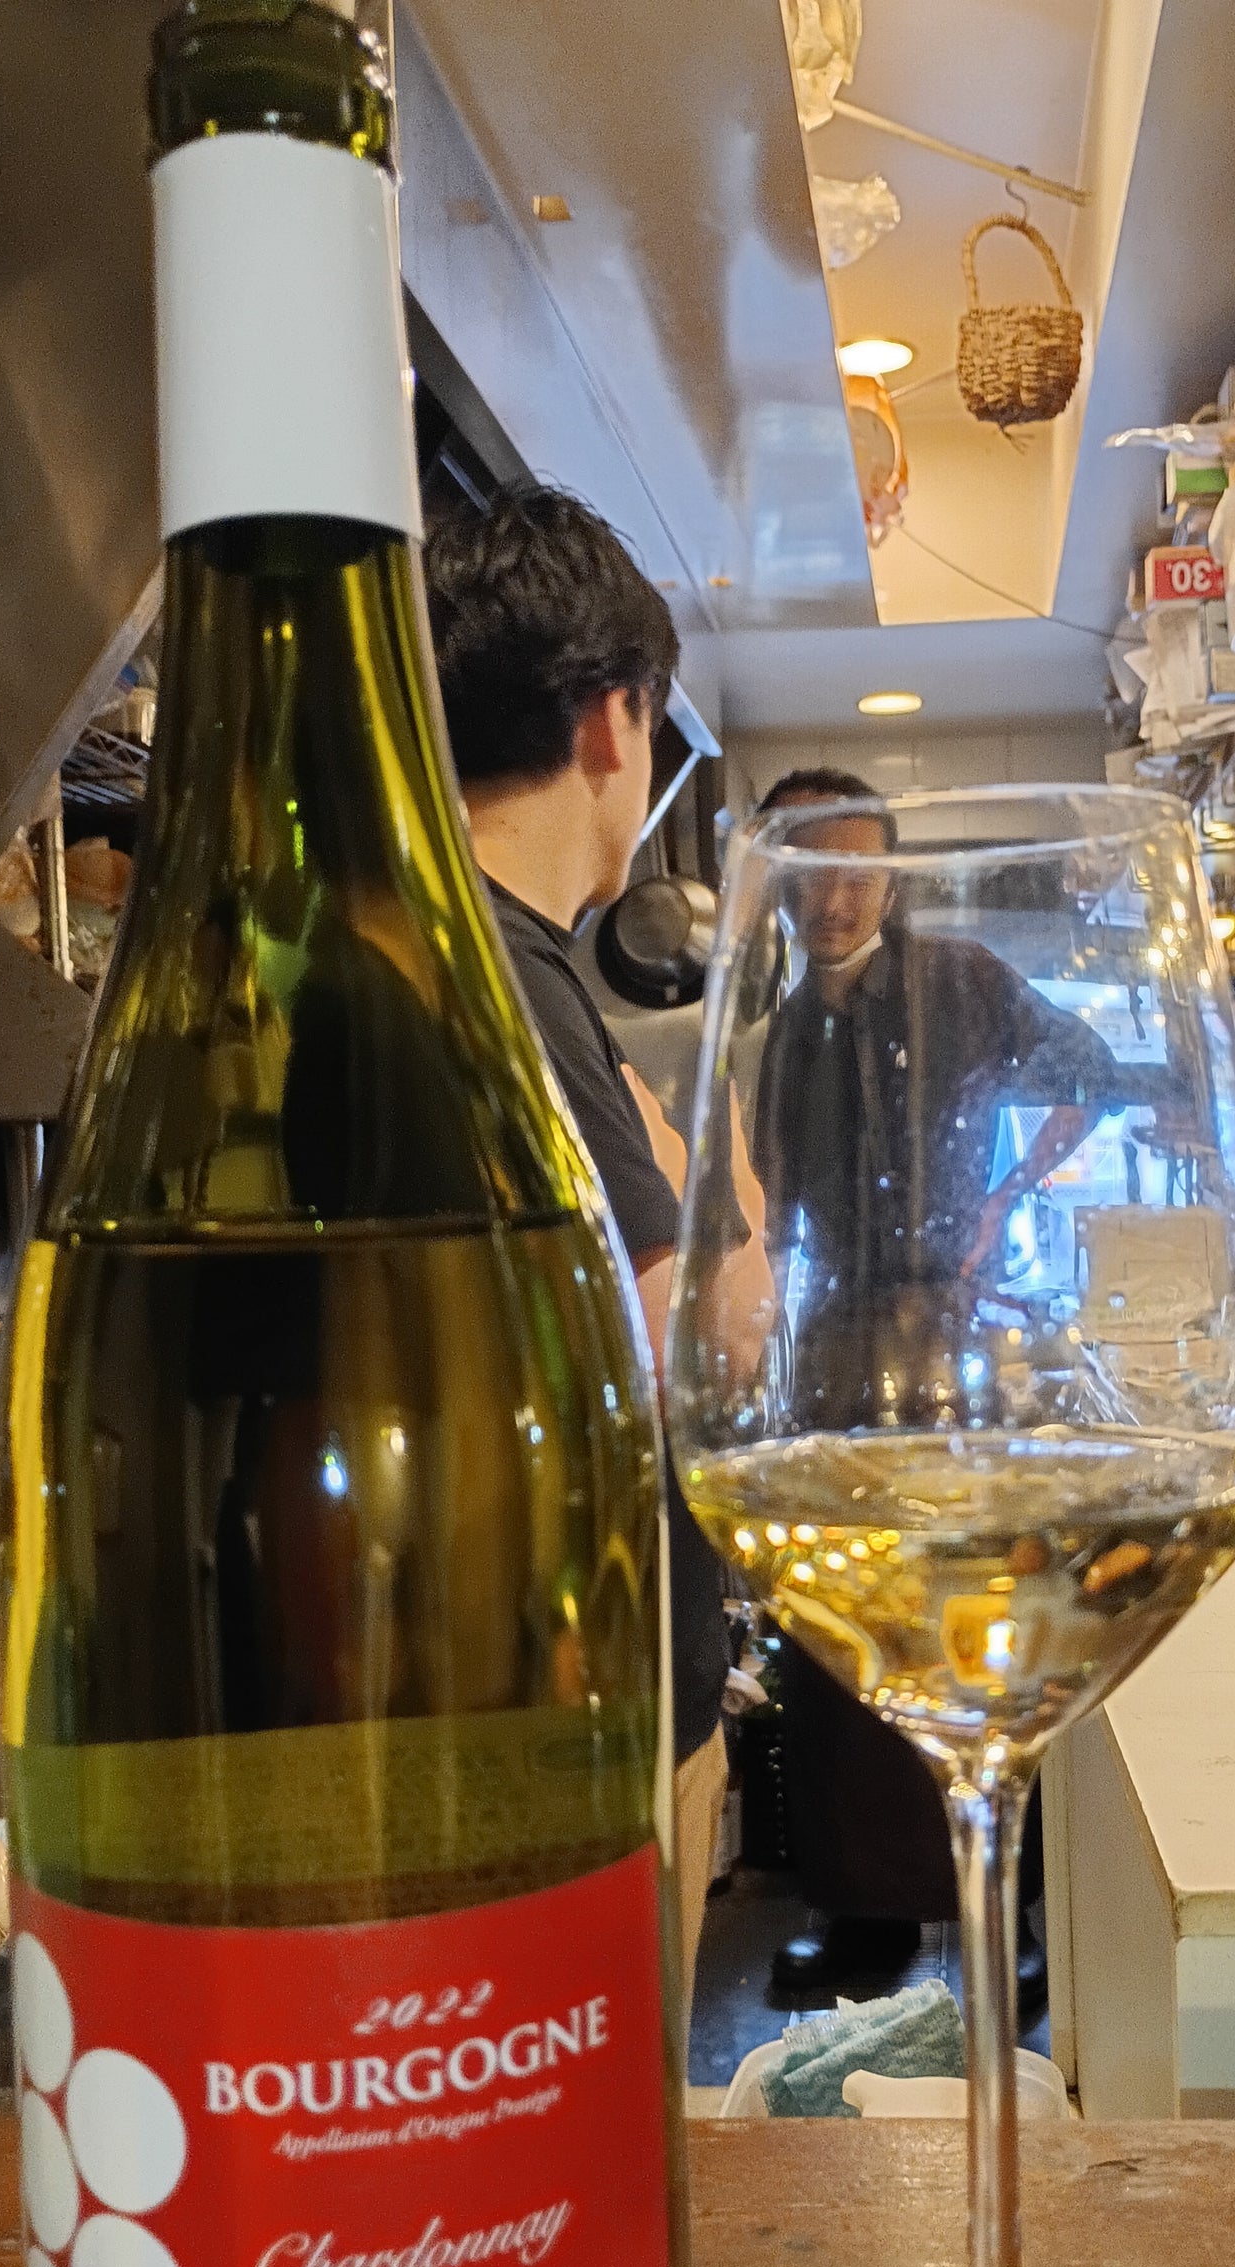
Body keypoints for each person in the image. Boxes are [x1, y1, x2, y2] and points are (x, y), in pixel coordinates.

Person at [424, 485, 770, 2008]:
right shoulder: (515, 975)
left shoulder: (428, 951)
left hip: (510, 1694)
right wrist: (725, 1168)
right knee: (617, 2120)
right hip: (592, 1712)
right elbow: (707, 1336)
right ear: (609, 721)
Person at [747, 768, 1122, 2001]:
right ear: (781, 883)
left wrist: (1006, 1196)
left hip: (947, 1345)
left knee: (965, 1620)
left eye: (857, 868)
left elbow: (1090, 1068)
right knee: (831, 1637)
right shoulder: (781, 1024)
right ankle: (865, 1913)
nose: (836, 896)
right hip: (823, 1350)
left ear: (889, 876)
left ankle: (1003, 1906)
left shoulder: (961, 978)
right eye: (811, 871)